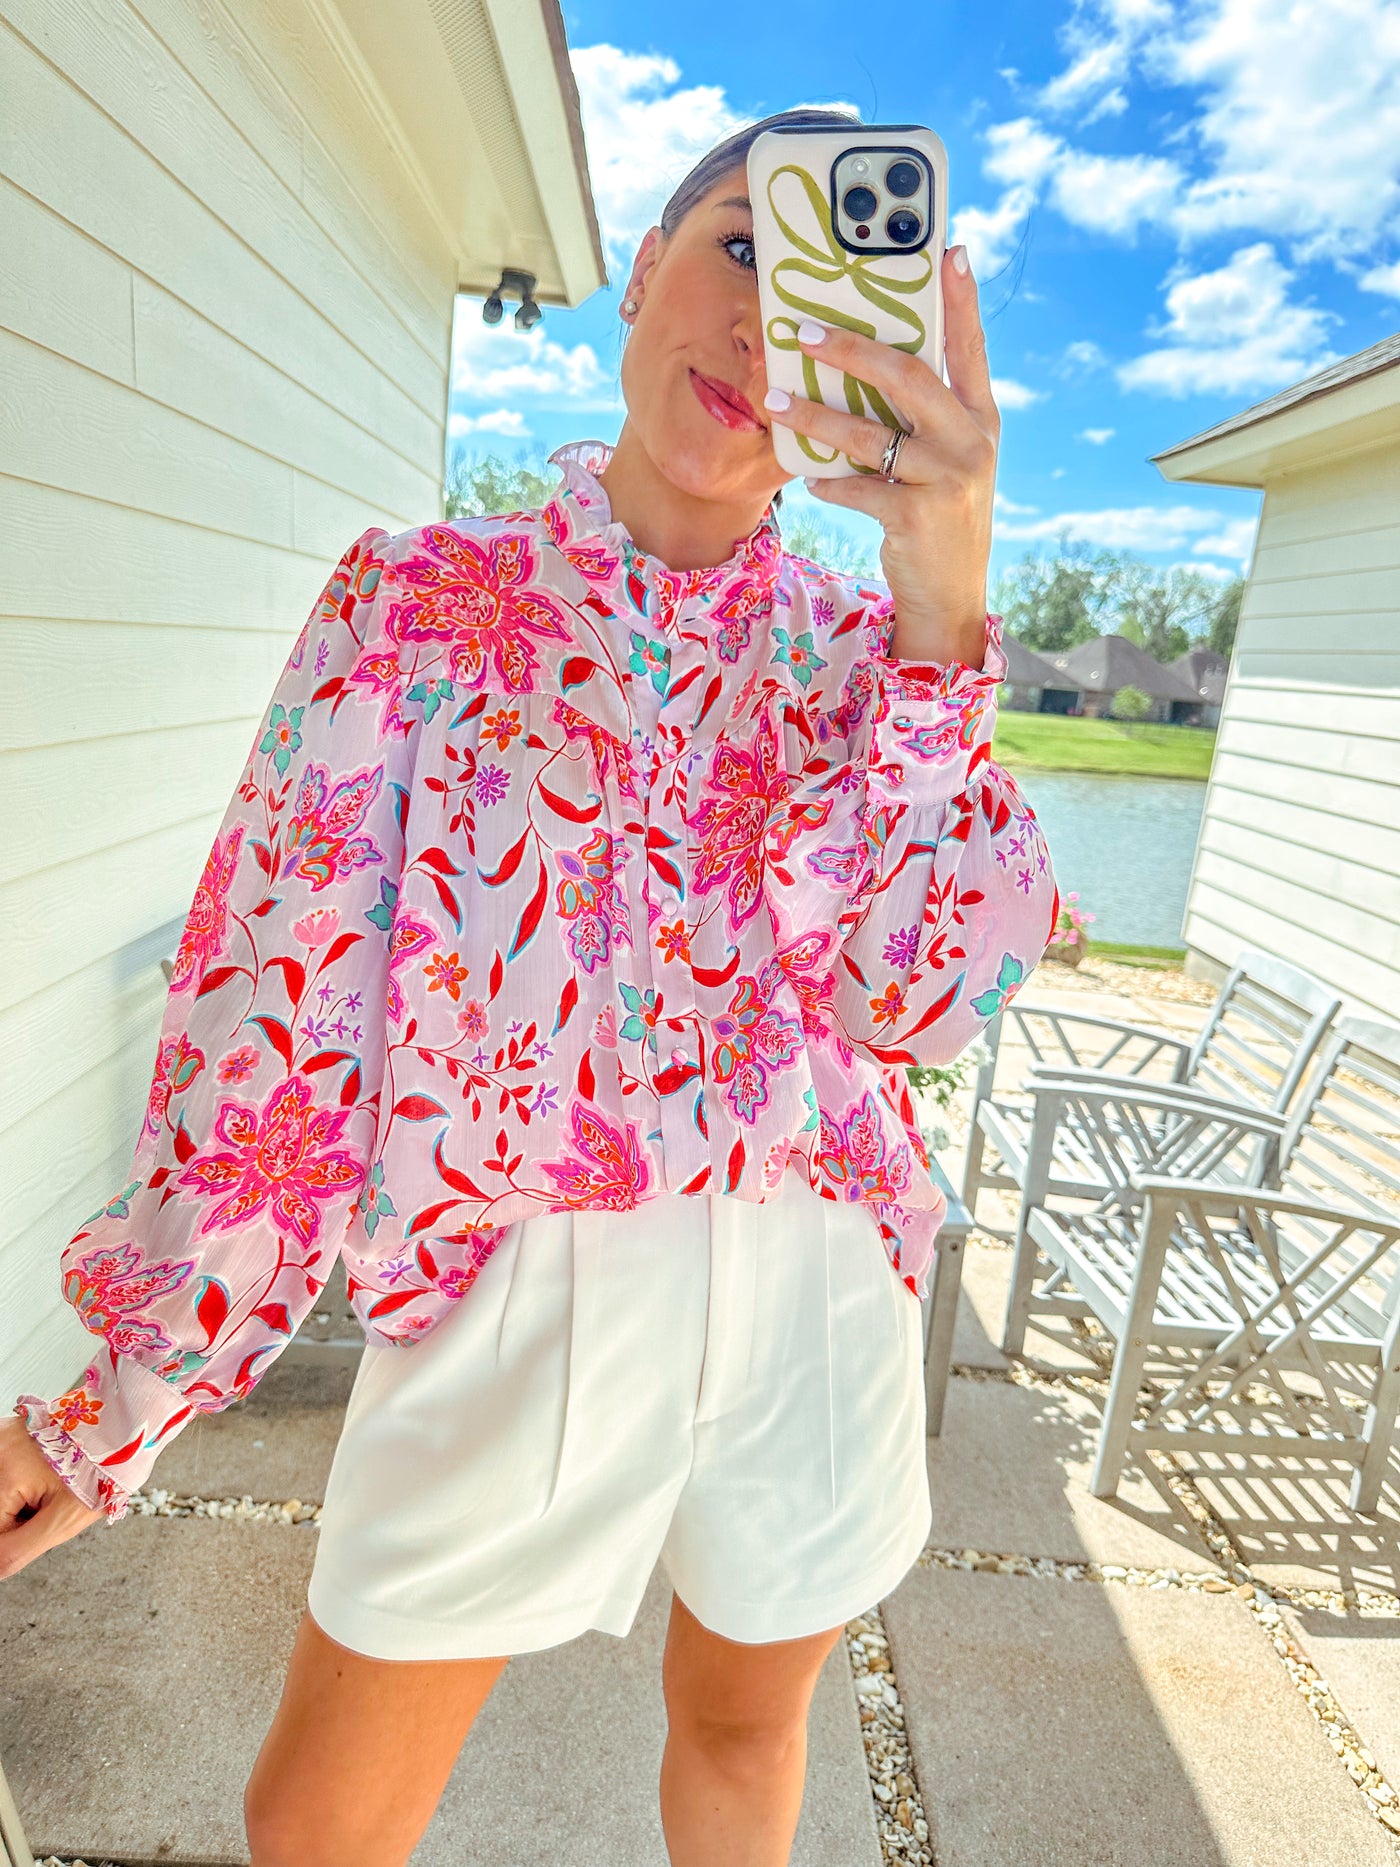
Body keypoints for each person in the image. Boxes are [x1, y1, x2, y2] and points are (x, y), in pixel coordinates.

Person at [1, 106, 1055, 1867]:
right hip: (511, 1275)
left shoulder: (874, 657)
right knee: (317, 1820)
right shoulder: (420, 602)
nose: (760, 320)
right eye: (736, 244)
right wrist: (133, 1391)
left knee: (742, 1741)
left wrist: (947, 603)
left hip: (819, 1273)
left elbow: (930, 997)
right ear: (639, 271)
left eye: (814, 284)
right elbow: (279, 1009)